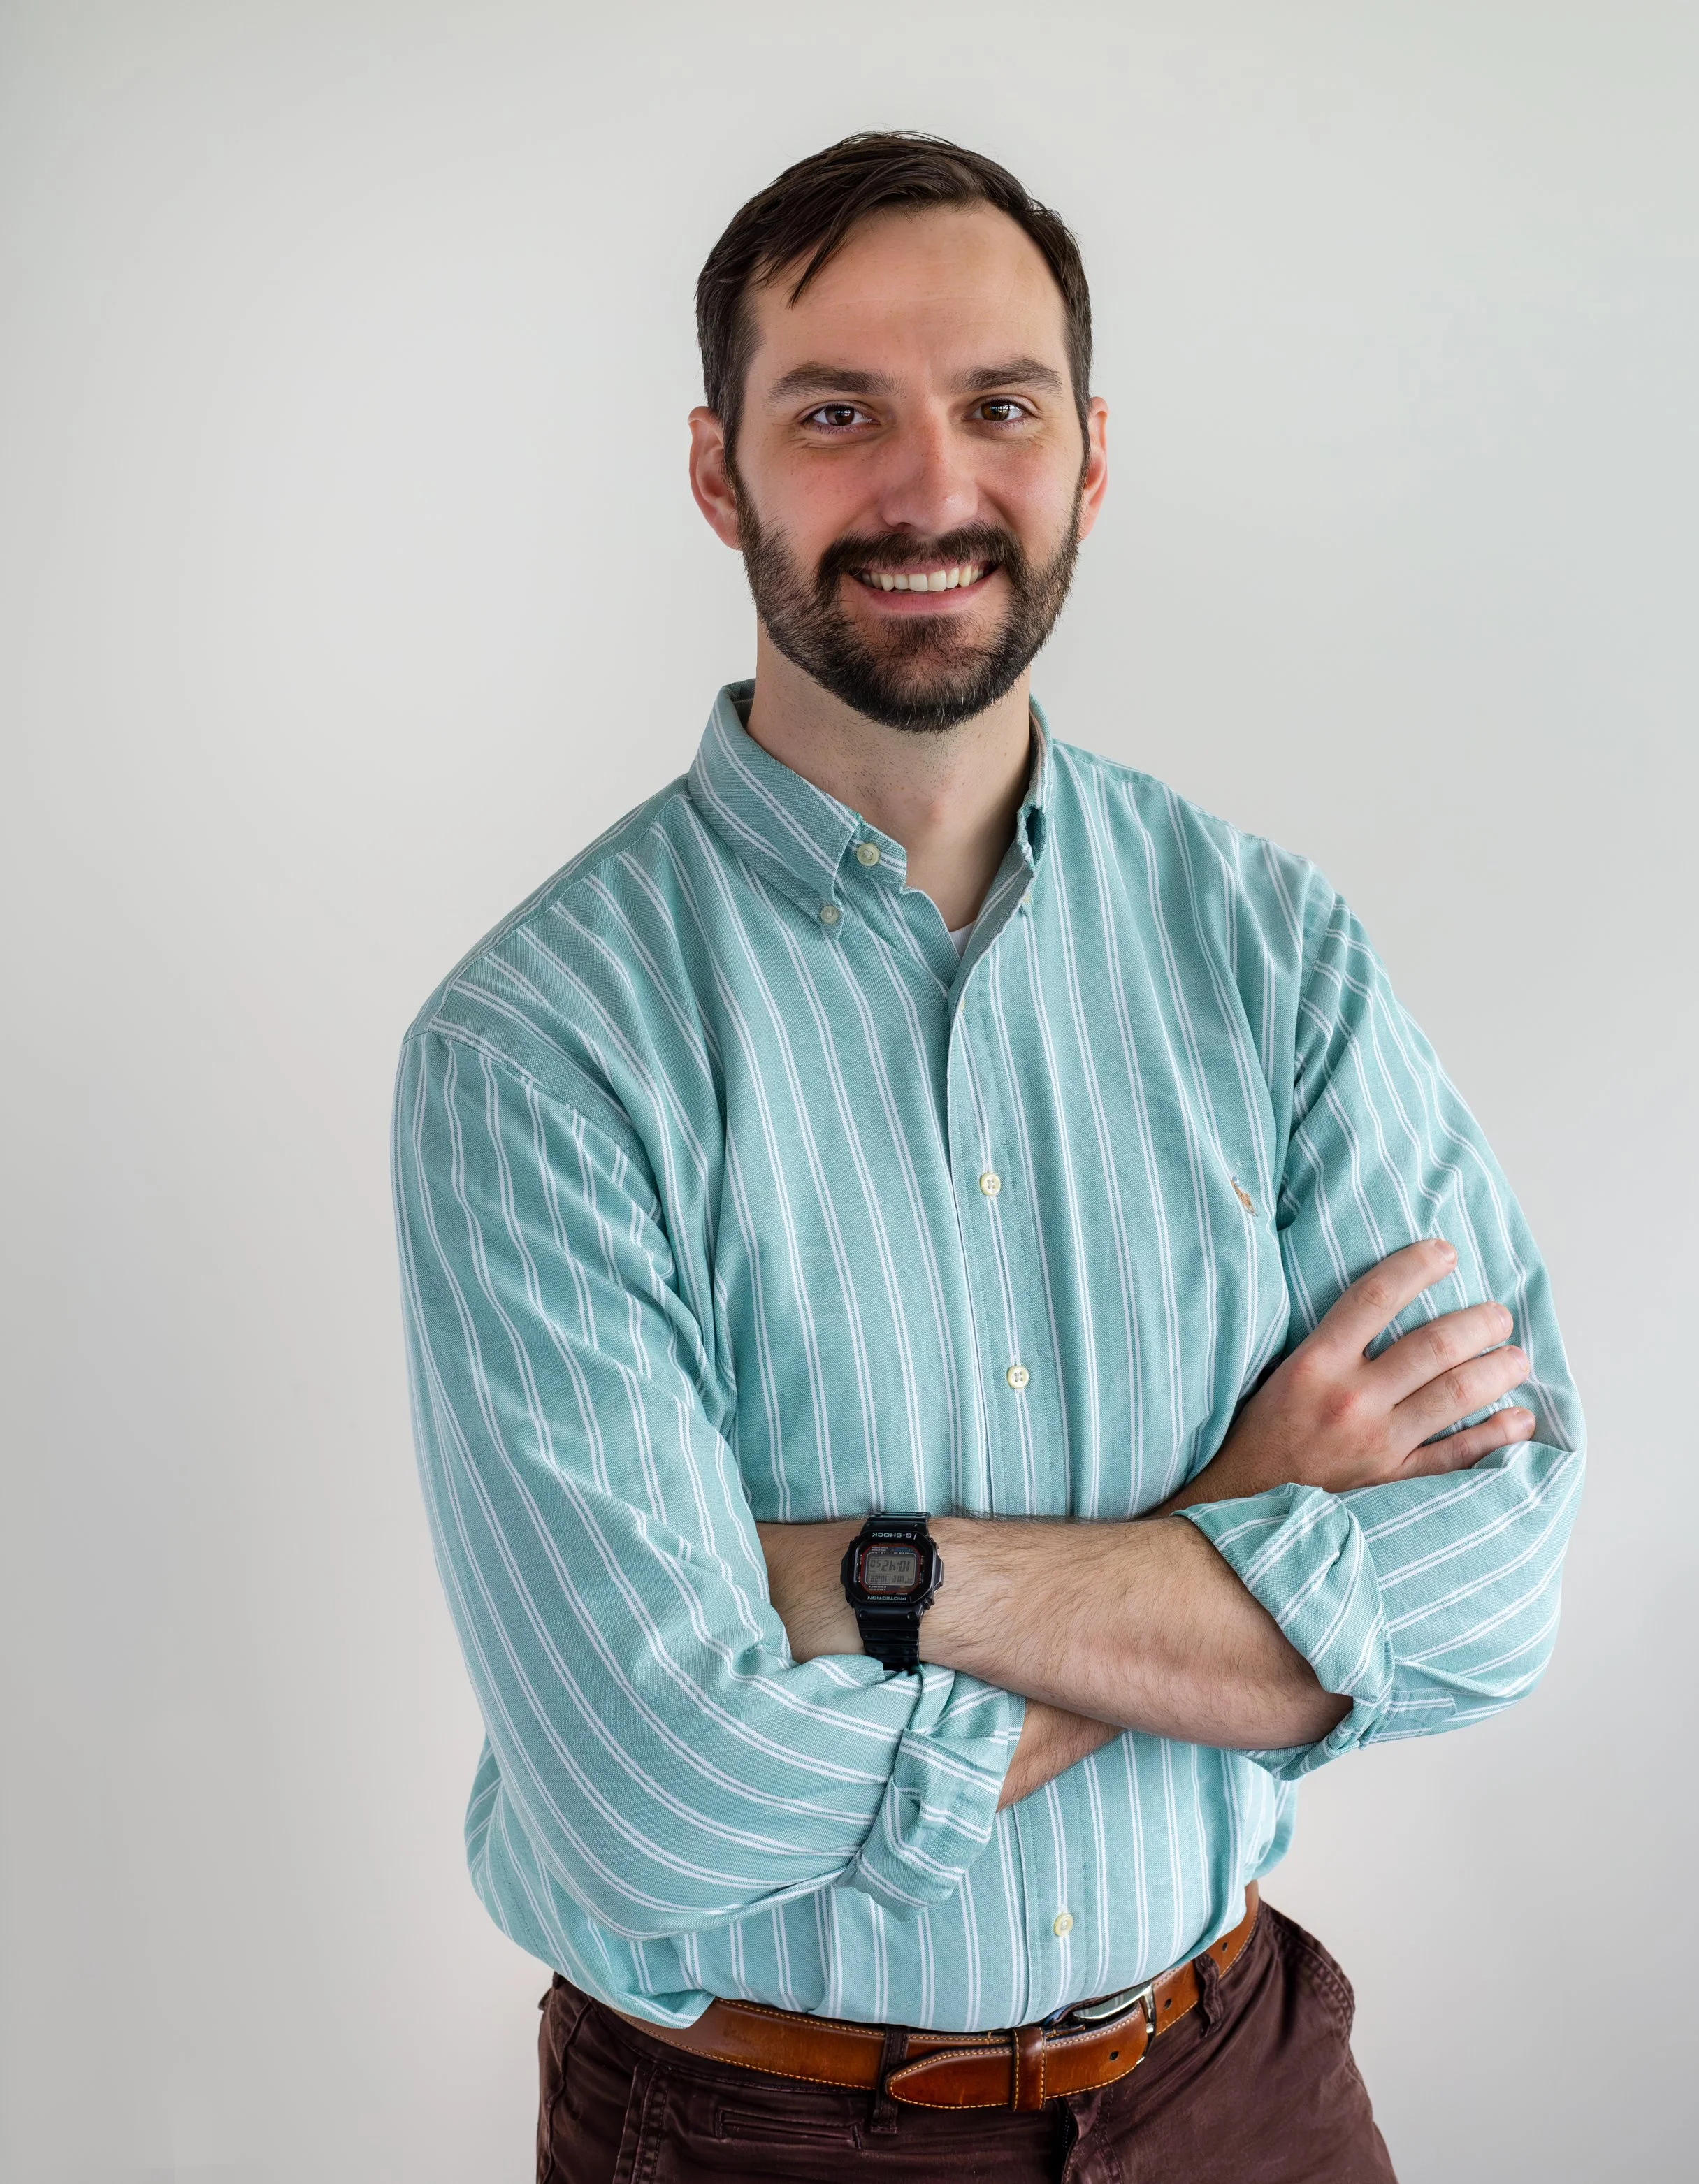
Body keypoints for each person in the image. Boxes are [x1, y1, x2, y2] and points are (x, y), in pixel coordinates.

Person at [392, 131, 1584, 2183]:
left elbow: (1490, 1581)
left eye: (997, 407)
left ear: (1089, 458)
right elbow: (656, 1804)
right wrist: (1245, 1522)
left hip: (1238, 2088)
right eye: (837, 411)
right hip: (755, 2131)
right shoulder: (537, 1049)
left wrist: (888, 1586)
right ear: (716, 470)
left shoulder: (1267, 950)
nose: (929, 489)